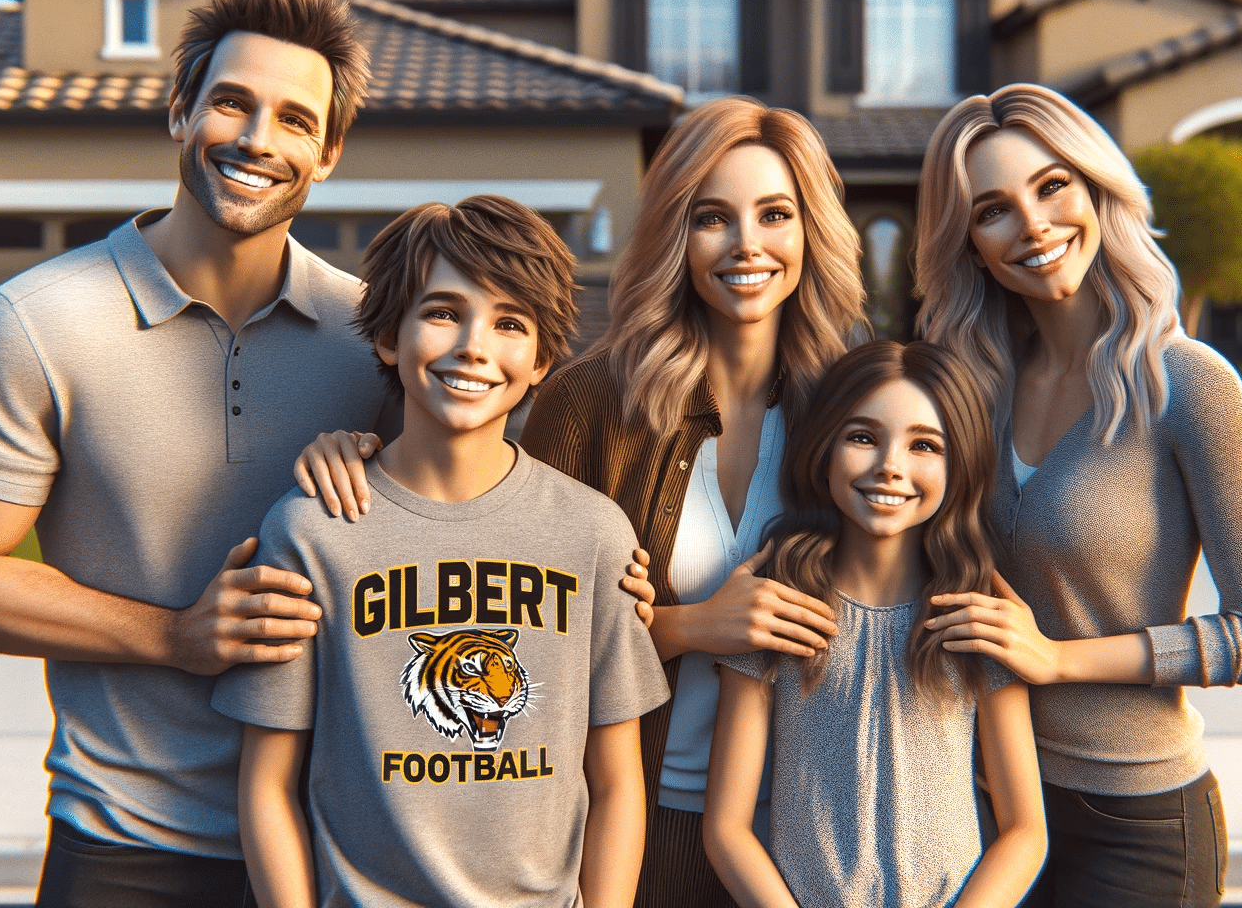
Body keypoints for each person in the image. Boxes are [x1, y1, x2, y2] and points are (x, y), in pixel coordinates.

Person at [292, 96, 869, 907]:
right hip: (645, 824)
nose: (747, 243)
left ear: (812, 231)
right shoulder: (593, 400)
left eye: (775, 214)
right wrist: (696, 626)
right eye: (712, 217)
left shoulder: (859, 409)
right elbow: (512, 608)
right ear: (675, 231)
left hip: (824, 831)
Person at [0, 0, 388, 907]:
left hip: (345, 839)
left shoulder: (378, 339)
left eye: (294, 120)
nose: (256, 138)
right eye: (232, 103)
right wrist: (171, 635)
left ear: (326, 154)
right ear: (179, 112)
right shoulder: (36, 321)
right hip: (127, 842)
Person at [213, 195, 668, 908]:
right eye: (444, 312)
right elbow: (268, 783)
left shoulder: (594, 534)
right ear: (390, 335)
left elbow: (615, 782)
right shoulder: (312, 532)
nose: (474, 347)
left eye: (509, 323)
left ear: (543, 358)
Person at [914, 83, 1242, 907]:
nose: (1034, 225)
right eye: (993, 210)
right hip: (981, 804)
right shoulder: (968, 389)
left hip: (1138, 820)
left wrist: (1057, 661)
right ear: (970, 243)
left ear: (1097, 189)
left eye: (1052, 187)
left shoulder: (1189, 384)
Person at [703, 340, 1046, 908]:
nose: (891, 465)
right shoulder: (781, 602)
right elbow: (727, 828)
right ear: (823, 449)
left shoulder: (972, 611)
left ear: (959, 463)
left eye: (924, 445)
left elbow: (1025, 831)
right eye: (862, 437)